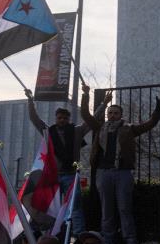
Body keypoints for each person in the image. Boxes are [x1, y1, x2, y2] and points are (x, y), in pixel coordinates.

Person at [81, 92, 160, 244]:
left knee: (125, 208)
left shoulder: (128, 128)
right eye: (110, 113)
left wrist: (158, 110)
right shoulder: (100, 127)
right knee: (107, 209)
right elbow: (86, 115)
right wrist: (85, 96)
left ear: (121, 115)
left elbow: (149, 124)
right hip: (103, 172)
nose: (112, 115)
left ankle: (130, 239)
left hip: (123, 172)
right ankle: (108, 239)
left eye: (116, 113)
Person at [27, 85, 111, 235]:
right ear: (56, 118)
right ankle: (51, 235)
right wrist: (30, 100)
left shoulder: (77, 131)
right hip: (53, 175)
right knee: (50, 207)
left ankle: (79, 234)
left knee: (75, 206)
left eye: (65, 118)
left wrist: (103, 103)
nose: (62, 120)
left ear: (69, 119)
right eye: (60, 118)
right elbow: (35, 119)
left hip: (71, 175)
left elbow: (92, 119)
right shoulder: (48, 131)